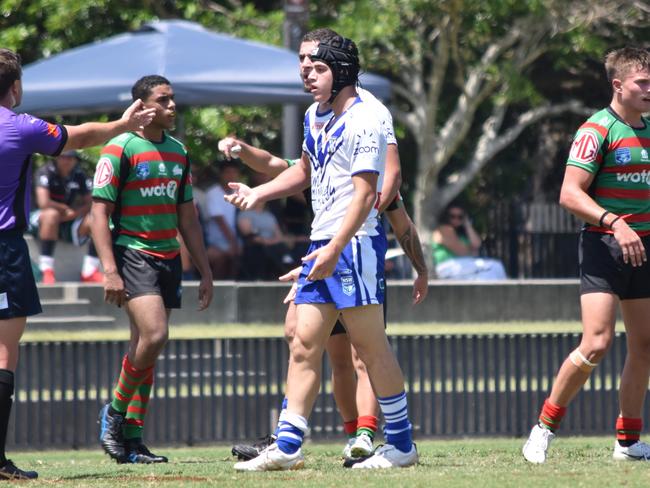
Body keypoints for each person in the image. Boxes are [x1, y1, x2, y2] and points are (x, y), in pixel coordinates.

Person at [222, 28, 428, 467]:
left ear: (341, 69)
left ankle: (402, 447)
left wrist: (335, 247)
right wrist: (259, 195)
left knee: (370, 348)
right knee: (302, 341)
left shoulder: (367, 118)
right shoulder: (316, 114)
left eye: (316, 67)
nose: (306, 74)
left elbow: (366, 194)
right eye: (302, 65)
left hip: (353, 246)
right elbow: (303, 170)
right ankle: (288, 447)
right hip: (325, 244)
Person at [0, 47, 155, 480]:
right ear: (16, 87)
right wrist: (124, 125)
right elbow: (81, 136)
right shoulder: (20, 125)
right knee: (3, 353)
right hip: (4, 249)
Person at [522, 46, 650, 464]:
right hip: (605, 245)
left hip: (643, 247)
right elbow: (569, 194)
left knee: (645, 345)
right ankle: (543, 428)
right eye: (642, 83)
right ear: (618, 85)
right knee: (596, 343)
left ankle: (628, 442)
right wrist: (616, 221)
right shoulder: (597, 130)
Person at [91, 75, 213, 465]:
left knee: (145, 350)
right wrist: (109, 270)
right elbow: (98, 214)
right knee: (155, 335)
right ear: (142, 107)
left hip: (168, 258)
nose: (172, 106)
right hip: (133, 253)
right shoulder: (120, 148)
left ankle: (133, 440)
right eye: (164, 100)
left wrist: (206, 271)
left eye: (173, 99)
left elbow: (188, 218)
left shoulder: (178, 151)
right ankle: (113, 412)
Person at [29, 150, 103, 283]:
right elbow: (43, 202)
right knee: (51, 215)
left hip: (69, 218)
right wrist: (64, 209)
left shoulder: (79, 174)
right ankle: (46, 270)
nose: (66, 161)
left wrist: (75, 212)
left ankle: (90, 270)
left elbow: (92, 202)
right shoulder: (45, 172)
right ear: (57, 158)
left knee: (97, 219)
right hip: (40, 217)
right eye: (63, 157)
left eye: (70, 158)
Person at [432, 204, 507, 280]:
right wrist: (471, 252)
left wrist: (467, 225)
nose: (456, 220)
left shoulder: (462, 235)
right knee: (495, 266)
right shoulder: (443, 230)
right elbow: (462, 252)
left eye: (460, 217)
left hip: (464, 266)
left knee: (488, 275)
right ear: (446, 217)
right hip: (447, 266)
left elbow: (477, 245)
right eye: (452, 216)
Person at [204, 161, 241, 279]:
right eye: (228, 172)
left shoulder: (240, 192)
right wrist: (233, 243)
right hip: (215, 240)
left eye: (234, 172)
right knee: (224, 256)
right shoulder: (213, 193)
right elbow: (220, 220)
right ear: (221, 174)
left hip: (236, 237)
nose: (231, 175)